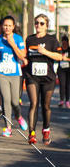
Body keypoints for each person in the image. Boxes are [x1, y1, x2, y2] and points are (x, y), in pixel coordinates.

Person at [24, 15, 62, 145]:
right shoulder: (30, 39)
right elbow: (26, 57)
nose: (38, 26)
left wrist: (45, 52)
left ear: (46, 25)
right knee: (33, 103)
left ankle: (46, 130)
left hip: (48, 78)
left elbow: (59, 57)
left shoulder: (52, 40)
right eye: (36, 23)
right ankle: (31, 133)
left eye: (41, 23)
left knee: (45, 105)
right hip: (32, 76)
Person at [0, 15, 28, 137]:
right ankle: (8, 127)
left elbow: (22, 56)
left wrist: (12, 44)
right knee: (5, 100)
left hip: (15, 73)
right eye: (5, 25)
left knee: (14, 101)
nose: (7, 27)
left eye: (9, 26)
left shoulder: (18, 38)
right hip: (1, 73)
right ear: (2, 26)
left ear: (13, 27)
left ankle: (19, 116)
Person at [59, 34, 70, 109]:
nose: (64, 44)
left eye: (65, 43)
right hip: (61, 70)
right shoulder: (59, 50)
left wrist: (66, 59)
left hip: (68, 70)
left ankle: (67, 101)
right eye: (63, 43)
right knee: (62, 85)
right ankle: (61, 100)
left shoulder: (69, 50)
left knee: (68, 85)